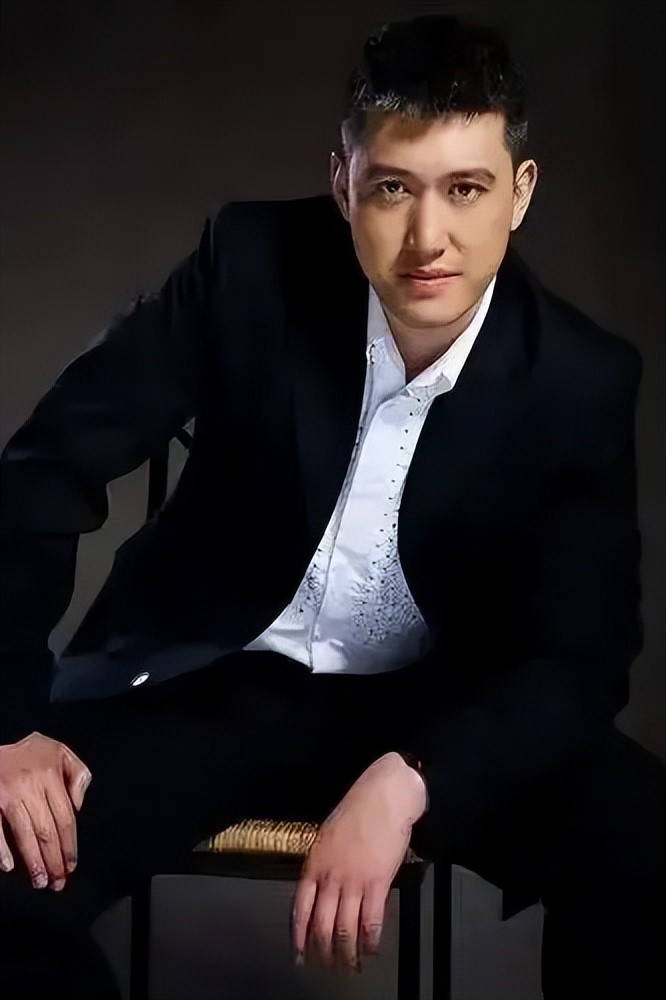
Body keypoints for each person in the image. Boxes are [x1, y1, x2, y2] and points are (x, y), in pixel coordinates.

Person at [0, 12, 663, 999]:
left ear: (520, 192)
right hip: (214, 682)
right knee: (1, 866)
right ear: (344, 180)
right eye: (393, 187)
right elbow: (43, 467)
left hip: (435, 709)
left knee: (646, 851)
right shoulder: (249, 265)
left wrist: (413, 777)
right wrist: (7, 724)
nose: (427, 238)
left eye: (465, 189)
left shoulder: (578, 380)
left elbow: (581, 661)